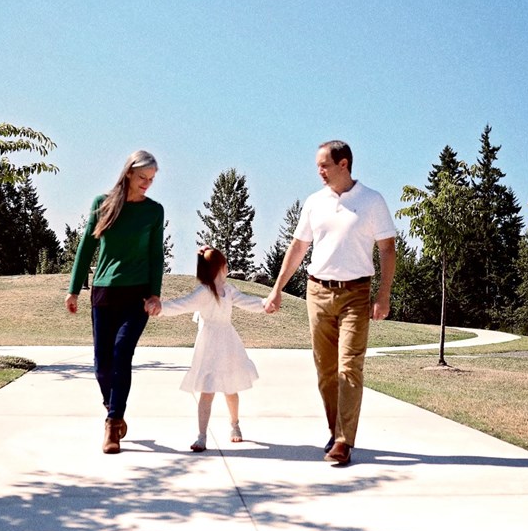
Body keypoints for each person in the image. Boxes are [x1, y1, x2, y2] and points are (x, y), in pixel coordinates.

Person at [264, 140, 396, 466]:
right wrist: (277, 288)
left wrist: (383, 294)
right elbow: (297, 248)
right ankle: (335, 429)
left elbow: (387, 250)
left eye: (324, 165)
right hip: (317, 292)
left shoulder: (372, 200)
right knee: (325, 371)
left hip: (356, 293)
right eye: (318, 166)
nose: (319, 171)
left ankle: (342, 440)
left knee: (349, 366)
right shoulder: (314, 202)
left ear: (344, 164)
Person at [65, 150, 164, 455]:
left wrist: (155, 293)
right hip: (104, 292)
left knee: (122, 354)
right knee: (101, 367)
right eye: (143, 177)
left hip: (136, 296)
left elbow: (155, 256)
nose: (147, 184)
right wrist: (74, 289)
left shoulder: (154, 211)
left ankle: (112, 424)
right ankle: (113, 405)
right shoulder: (103, 203)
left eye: (152, 179)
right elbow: (85, 248)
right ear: (129, 173)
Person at [156, 246, 267, 452]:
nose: (227, 269)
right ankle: (202, 436)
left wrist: (265, 304)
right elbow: (183, 304)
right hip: (208, 345)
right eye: (225, 265)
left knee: (230, 388)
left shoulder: (229, 290)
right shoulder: (204, 292)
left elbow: (247, 302)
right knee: (207, 390)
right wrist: (161, 308)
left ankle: (235, 425)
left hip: (228, 343)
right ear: (220, 268)